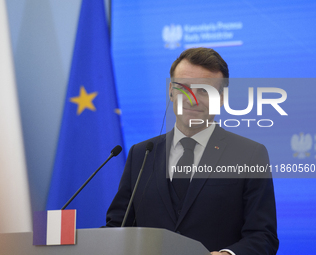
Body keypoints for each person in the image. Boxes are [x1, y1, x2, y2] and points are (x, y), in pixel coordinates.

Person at [106, 47, 279, 255]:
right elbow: (117, 228)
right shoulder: (141, 154)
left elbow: (263, 236)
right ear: (170, 91)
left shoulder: (250, 154)